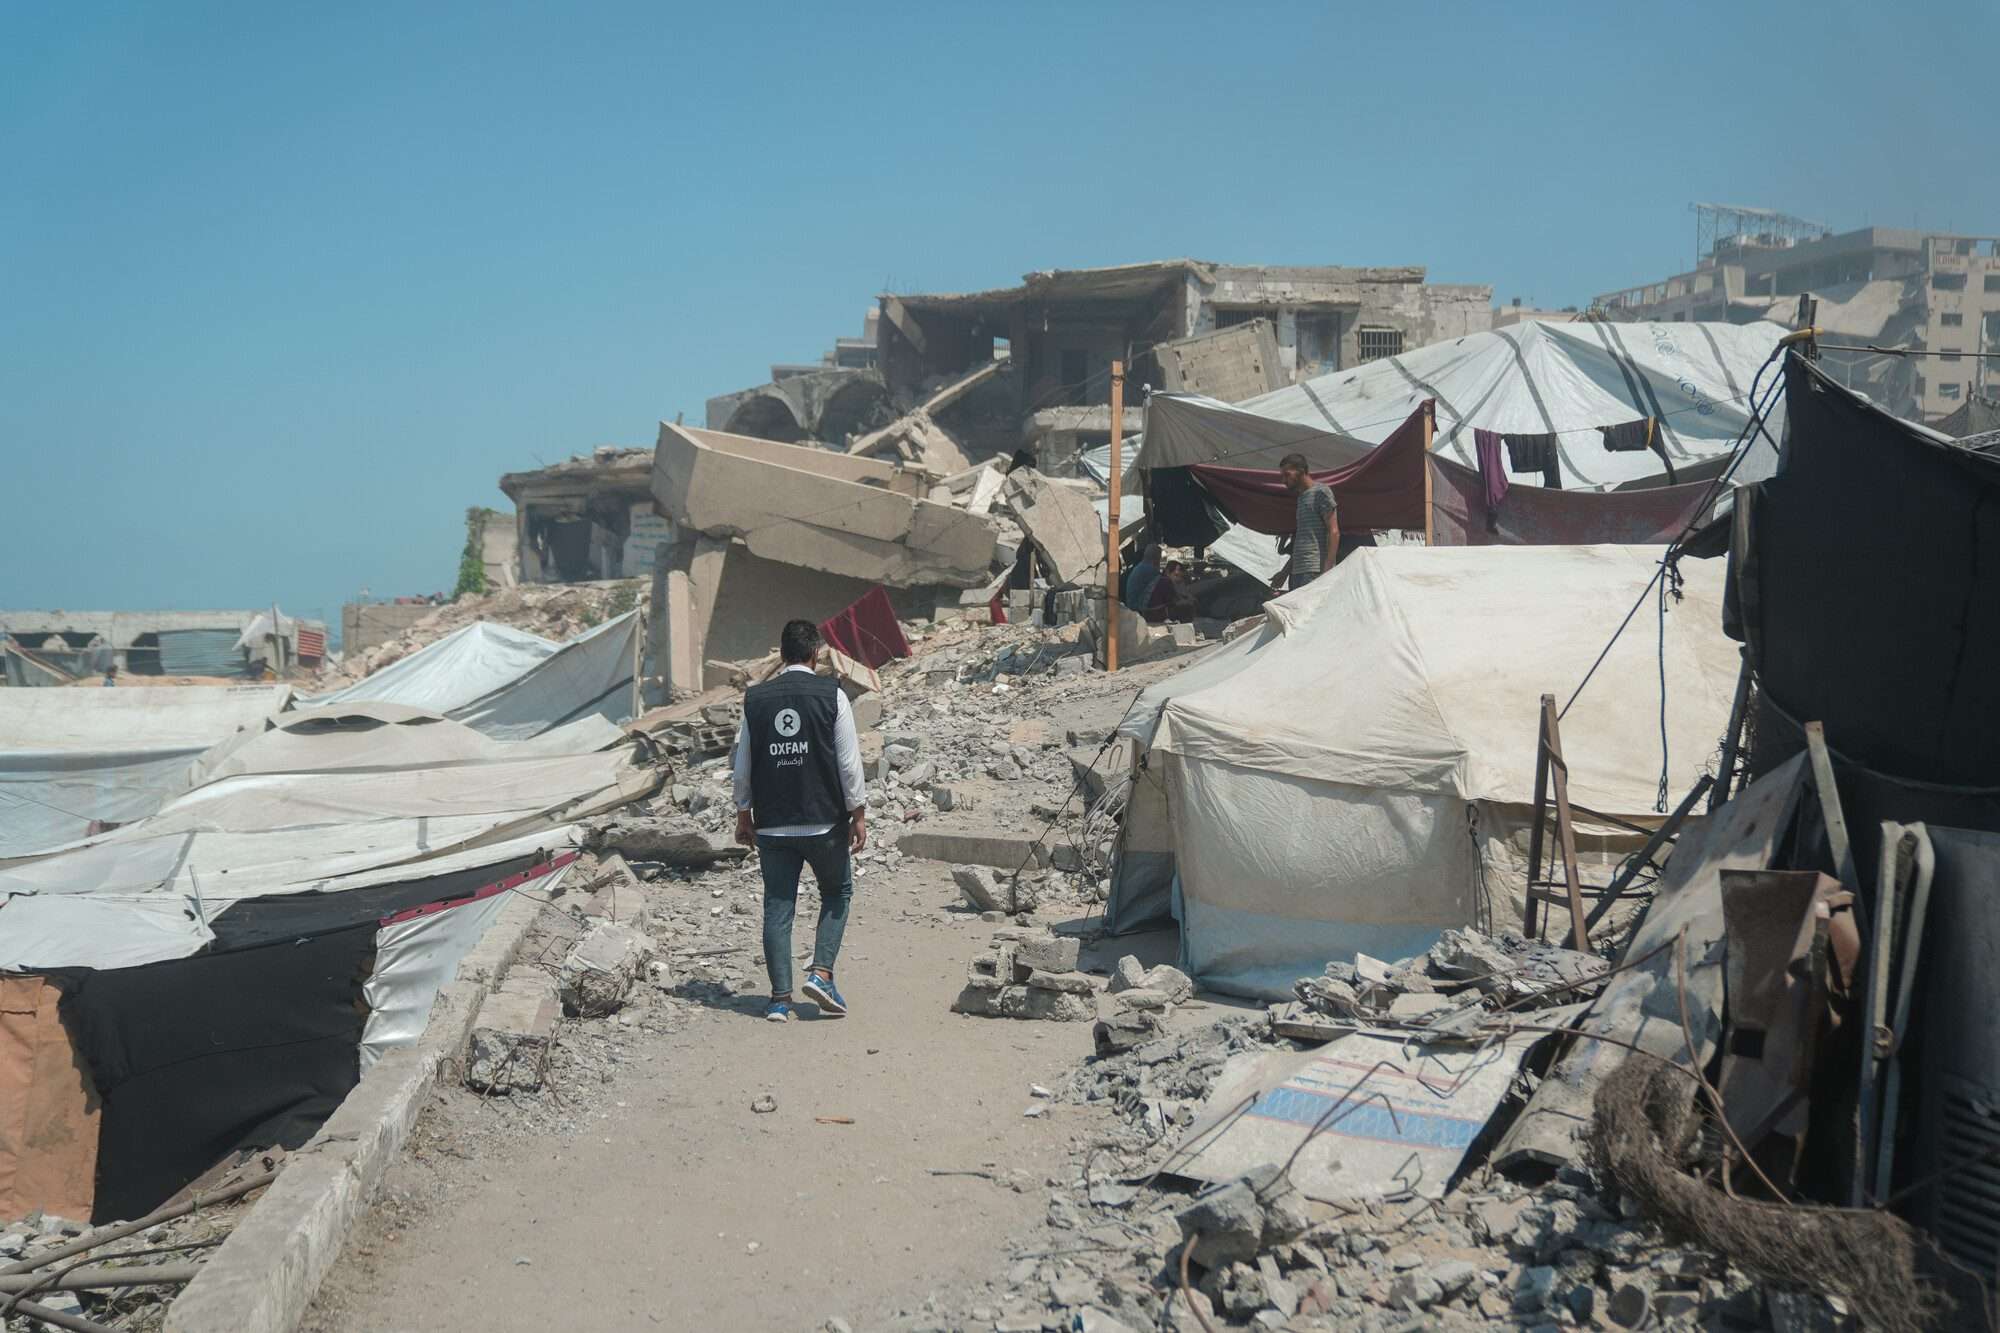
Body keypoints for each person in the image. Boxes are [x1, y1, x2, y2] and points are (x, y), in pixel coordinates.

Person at [732, 619, 868, 1023]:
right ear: (816, 653)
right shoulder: (832, 695)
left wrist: (744, 815)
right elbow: (848, 763)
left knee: (778, 906)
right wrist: (858, 813)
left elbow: (742, 766)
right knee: (837, 892)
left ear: (781, 654)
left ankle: (778, 1000)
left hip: (772, 824)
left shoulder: (755, 701)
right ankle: (821, 974)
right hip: (824, 820)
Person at [1270, 453, 1339, 592]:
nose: (1284, 480)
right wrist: (1284, 573)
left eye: (1287, 475)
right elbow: (1303, 541)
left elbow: (1334, 531)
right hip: (1298, 571)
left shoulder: (1321, 492)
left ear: (1301, 471)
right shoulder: (1301, 498)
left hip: (1314, 569)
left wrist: (1328, 569)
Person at [1124, 543, 1163, 613]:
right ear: (1157, 557)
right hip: (1138, 607)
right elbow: (1162, 583)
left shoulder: (1141, 566)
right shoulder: (1150, 569)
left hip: (1132, 605)